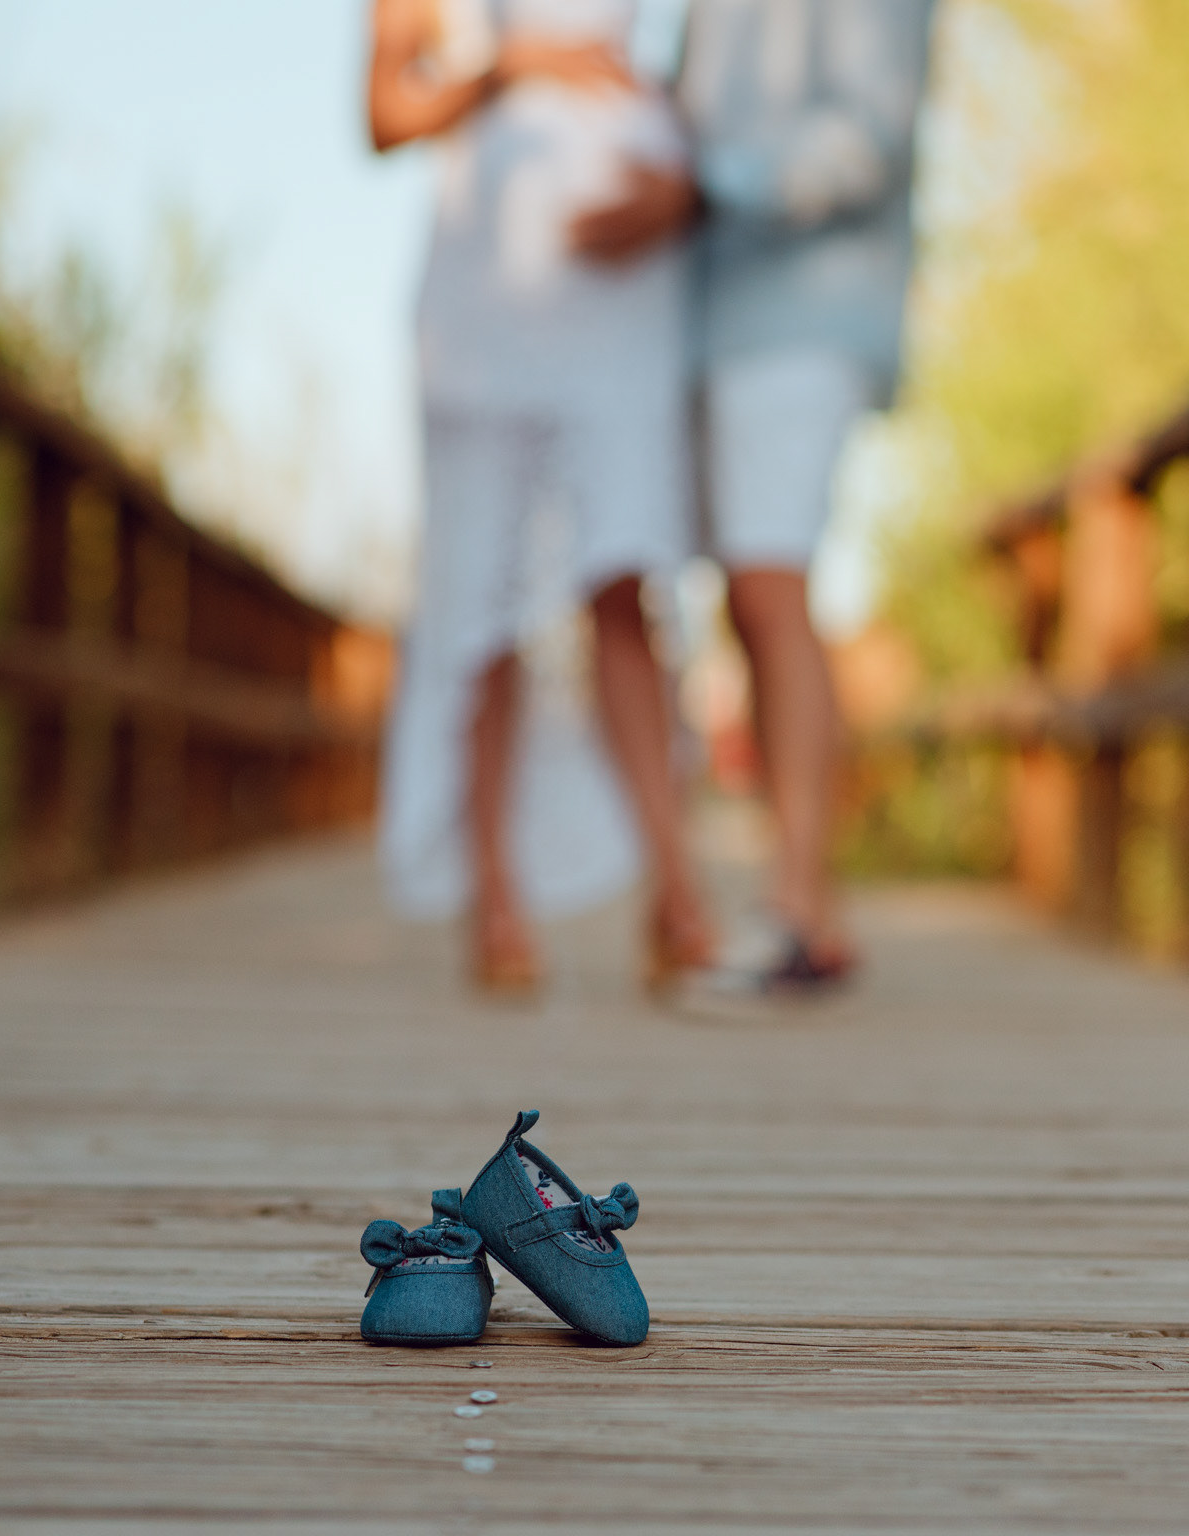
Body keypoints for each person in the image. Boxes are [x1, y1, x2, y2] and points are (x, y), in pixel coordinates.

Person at [586, 0, 938, 994]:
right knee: (741, 599)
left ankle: (800, 915)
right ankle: (807, 903)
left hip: (807, 309)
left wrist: (704, 189)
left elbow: (869, 136)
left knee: (769, 586)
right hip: (703, 318)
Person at [369, 0, 715, 996]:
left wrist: (684, 193)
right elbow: (387, 114)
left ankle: (676, 891)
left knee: (626, 577)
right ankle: (496, 897)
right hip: (488, 308)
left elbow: (689, 85)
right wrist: (513, 61)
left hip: (622, 299)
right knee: (483, 597)